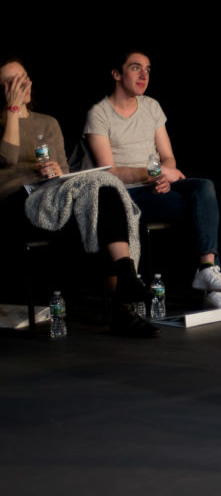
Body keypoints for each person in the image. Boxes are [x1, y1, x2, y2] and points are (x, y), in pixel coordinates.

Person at [2, 57, 157, 337]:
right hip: (16, 202)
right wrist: (13, 110)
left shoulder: (47, 122)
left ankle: (124, 285)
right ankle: (126, 288)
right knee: (97, 195)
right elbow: (7, 156)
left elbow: (63, 170)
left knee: (104, 191)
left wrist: (56, 170)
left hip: (52, 194)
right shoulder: (2, 123)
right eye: (12, 81)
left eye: (24, 76)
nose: (22, 84)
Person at [85, 51, 221, 313]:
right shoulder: (99, 113)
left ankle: (207, 271)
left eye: (147, 69)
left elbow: (168, 158)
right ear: (117, 74)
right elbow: (108, 172)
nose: (144, 74)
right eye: (135, 68)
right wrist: (153, 175)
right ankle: (212, 291)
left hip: (156, 188)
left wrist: (164, 176)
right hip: (126, 196)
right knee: (200, 211)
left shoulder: (151, 106)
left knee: (204, 189)